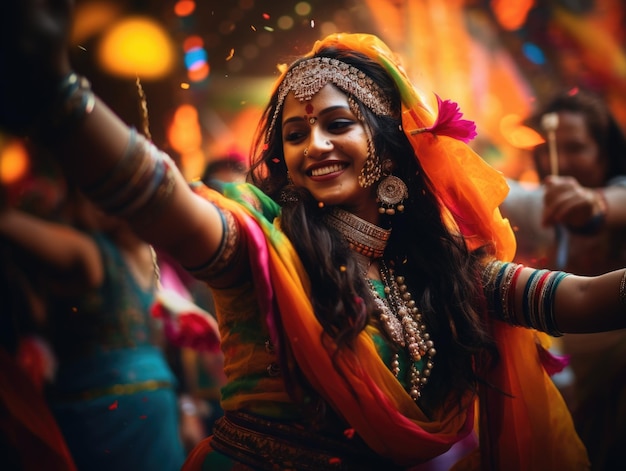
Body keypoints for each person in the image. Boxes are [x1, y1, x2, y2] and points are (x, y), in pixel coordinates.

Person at [2, 3, 626, 470]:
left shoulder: (445, 268)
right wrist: (61, 104)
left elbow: (586, 299)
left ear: (383, 145)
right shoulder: (270, 243)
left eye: (336, 125)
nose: (315, 146)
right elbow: (166, 204)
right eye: (296, 135)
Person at [0, 183, 187, 471]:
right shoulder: (144, 257)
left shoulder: (91, 251)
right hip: (155, 400)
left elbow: (8, 223)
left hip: (106, 406)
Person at [501, 88, 626, 470]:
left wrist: (592, 208)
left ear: (603, 153)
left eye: (578, 147)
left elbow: (610, 205)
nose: (560, 159)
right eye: (550, 147)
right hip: (567, 380)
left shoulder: (616, 192)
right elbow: (490, 187)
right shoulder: (540, 204)